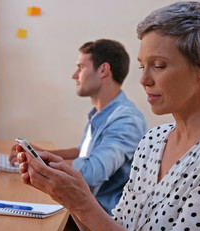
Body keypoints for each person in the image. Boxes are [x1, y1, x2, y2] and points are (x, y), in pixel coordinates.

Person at [16, 2, 200, 231]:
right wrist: (70, 198)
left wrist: (83, 201)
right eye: (142, 66)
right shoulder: (154, 141)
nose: (144, 80)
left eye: (159, 65)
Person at [9, 39, 148, 215]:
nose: (74, 75)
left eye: (81, 67)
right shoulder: (101, 113)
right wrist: (41, 152)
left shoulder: (126, 120)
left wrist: (40, 161)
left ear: (103, 70)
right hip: (82, 212)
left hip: (103, 220)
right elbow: (84, 151)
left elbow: (90, 173)